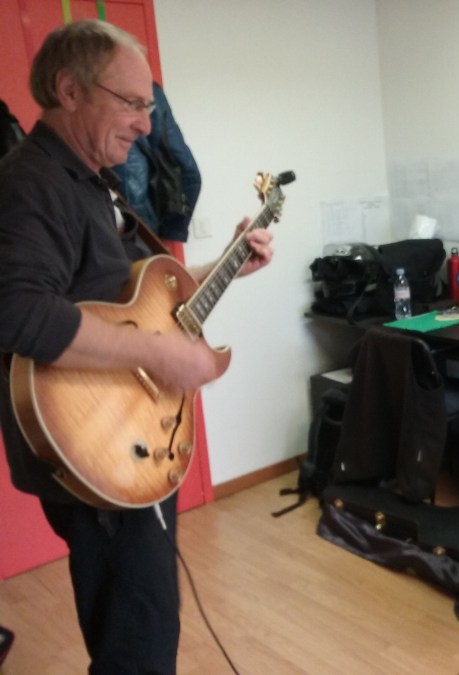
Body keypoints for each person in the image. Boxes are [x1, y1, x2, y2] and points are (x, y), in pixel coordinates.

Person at [0, 20, 274, 674]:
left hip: (125, 437)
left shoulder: (93, 182)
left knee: (143, 627)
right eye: (130, 103)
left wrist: (227, 266)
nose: (147, 126)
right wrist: (156, 356)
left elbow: (142, 304)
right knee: (139, 645)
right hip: (97, 448)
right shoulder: (30, 183)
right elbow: (17, 311)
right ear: (70, 90)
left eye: (149, 106)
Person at [113, 80, 201, 242]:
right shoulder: (150, 90)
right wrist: (173, 230)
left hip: (130, 227)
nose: (145, 126)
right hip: (144, 225)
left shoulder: (116, 88)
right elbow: (188, 170)